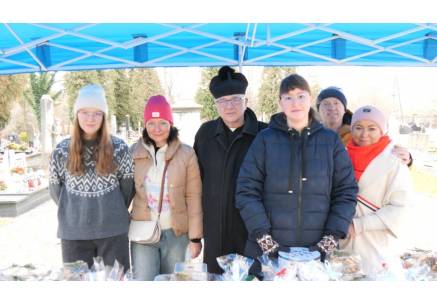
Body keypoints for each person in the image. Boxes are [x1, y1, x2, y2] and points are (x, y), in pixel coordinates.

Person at [236, 74, 358, 276]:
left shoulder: (330, 142)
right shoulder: (265, 139)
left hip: (318, 253)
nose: (295, 103)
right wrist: (265, 240)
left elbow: (346, 191)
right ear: (280, 103)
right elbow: (246, 190)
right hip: (270, 253)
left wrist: (329, 240)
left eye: (301, 96)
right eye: (288, 97)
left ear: (310, 100)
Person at [49, 84, 134, 271]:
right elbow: (56, 191)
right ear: (76, 114)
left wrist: (110, 208)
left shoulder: (119, 148)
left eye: (97, 113)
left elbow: (127, 190)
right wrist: (76, 210)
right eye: (85, 112)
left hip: (113, 232)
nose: (90, 118)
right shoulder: (61, 151)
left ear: (104, 116)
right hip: (74, 234)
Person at [193, 66, 268, 274]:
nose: (229, 106)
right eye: (222, 101)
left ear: (246, 101)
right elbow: (196, 182)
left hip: (252, 229)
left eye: (235, 99)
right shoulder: (205, 134)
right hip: (215, 228)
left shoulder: (264, 134)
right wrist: (196, 233)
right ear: (216, 104)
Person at [130, 95, 203, 280]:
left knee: (175, 284)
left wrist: (195, 238)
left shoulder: (186, 153)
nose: (157, 129)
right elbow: (123, 191)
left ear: (171, 123)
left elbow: (193, 196)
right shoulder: (133, 152)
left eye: (162, 122)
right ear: (145, 125)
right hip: (143, 233)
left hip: (177, 233)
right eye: (151, 123)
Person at [340, 105, 412, 276]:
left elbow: (400, 208)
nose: (364, 134)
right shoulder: (341, 155)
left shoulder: (394, 160)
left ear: (382, 131)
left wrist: (358, 225)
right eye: (358, 128)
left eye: (372, 128)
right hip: (343, 243)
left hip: (376, 244)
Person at [317, 86, 413, 166]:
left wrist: (407, 158)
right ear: (318, 109)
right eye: (326, 104)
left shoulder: (359, 133)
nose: (332, 107)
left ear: (344, 109)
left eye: (336, 103)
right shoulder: (311, 134)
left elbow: (385, 147)